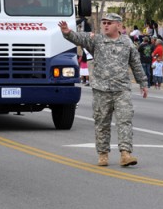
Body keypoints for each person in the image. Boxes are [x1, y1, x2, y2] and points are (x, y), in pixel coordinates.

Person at [58, 13, 148, 167]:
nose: (105, 25)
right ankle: (103, 154)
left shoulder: (127, 43)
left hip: (121, 89)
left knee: (124, 120)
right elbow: (79, 38)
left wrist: (143, 83)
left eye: (109, 23)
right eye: (104, 22)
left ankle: (125, 153)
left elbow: (136, 64)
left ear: (118, 26)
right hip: (101, 89)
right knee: (102, 122)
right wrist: (67, 32)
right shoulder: (97, 40)